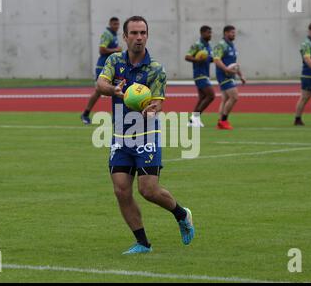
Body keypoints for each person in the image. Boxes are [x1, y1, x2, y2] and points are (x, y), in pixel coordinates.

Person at [96, 16, 195, 255]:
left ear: (147, 36)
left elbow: (159, 104)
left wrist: (150, 109)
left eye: (143, 33)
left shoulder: (156, 69)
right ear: (125, 36)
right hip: (120, 135)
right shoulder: (114, 61)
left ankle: (182, 215)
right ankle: (142, 243)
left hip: (147, 134)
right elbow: (100, 84)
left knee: (148, 190)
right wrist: (114, 91)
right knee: (121, 190)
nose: (139, 37)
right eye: (134, 33)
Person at [81, 17, 122, 124]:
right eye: (114, 24)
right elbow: (102, 49)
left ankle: (86, 114)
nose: (116, 26)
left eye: (117, 24)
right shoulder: (107, 34)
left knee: (113, 90)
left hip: (111, 67)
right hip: (103, 67)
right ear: (110, 24)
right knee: (101, 90)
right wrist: (116, 50)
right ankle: (85, 114)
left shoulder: (113, 35)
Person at [213, 25, 246, 130]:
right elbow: (216, 60)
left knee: (225, 98)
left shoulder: (232, 45)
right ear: (226, 33)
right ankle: (224, 120)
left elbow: (234, 64)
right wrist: (226, 70)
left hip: (230, 75)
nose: (234, 34)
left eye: (234, 32)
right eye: (232, 32)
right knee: (234, 97)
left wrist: (241, 75)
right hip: (223, 75)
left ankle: (220, 122)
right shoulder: (221, 45)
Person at [185, 26, 215, 127]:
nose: (210, 35)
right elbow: (187, 56)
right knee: (211, 95)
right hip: (199, 74)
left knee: (202, 97)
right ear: (202, 33)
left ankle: (191, 121)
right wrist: (198, 60)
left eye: (210, 33)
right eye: (208, 33)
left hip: (206, 74)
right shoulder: (197, 45)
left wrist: (212, 59)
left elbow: (209, 58)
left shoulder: (208, 45)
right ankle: (195, 118)